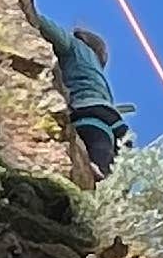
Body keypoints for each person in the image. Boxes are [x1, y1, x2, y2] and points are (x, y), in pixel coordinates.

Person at [43, 18, 131, 175]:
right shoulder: (101, 80)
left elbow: (49, 29)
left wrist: (27, 12)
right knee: (105, 148)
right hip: (104, 119)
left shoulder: (75, 46)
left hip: (82, 110)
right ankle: (102, 171)